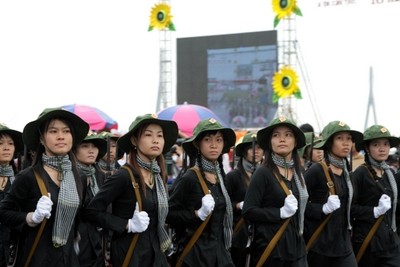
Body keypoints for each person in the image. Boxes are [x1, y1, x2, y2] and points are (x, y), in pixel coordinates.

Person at [84, 113, 178, 267]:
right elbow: (92, 212)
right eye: (148, 135)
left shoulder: (158, 176)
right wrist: (127, 224)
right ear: (135, 140)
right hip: (131, 254)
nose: (155, 140)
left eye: (159, 136)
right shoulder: (123, 176)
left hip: (156, 254)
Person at [0, 107, 89, 266]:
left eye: (66, 131)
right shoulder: (28, 176)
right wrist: (31, 217)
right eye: (53, 131)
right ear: (41, 138)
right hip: (37, 258)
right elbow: (4, 212)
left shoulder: (79, 177)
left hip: (68, 259)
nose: (61, 136)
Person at [167, 118, 236, 267]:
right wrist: (197, 214)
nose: (214, 145)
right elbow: (169, 214)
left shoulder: (221, 177)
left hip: (221, 254)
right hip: (194, 256)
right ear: (198, 144)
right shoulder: (189, 177)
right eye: (207, 139)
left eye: (219, 140)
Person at [242, 116, 309, 267]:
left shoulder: (299, 172)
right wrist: (279, 213)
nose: (282, 139)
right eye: (276, 135)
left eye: (288, 135)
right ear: (270, 142)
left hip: (297, 248)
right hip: (272, 249)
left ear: (295, 141)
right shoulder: (263, 173)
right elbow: (249, 211)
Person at [304, 121, 363, 267]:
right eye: (340, 138)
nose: (346, 143)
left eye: (349, 138)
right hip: (320, 246)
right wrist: (322, 209)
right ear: (329, 143)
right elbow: (299, 205)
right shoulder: (316, 170)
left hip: (344, 244)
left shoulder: (347, 173)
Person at [351, 125, 400, 266]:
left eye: (386, 144)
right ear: (367, 148)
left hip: (390, 241)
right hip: (368, 242)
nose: (382, 148)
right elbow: (350, 208)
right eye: (376, 144)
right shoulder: (360, 174)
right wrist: (374, 211)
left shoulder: (390, 173)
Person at [226, 131, 264, 267]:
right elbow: (222, 204)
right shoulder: (233, 176)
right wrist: (237, 205)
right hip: (239, 232)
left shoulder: (266, 175)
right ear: (243, 151)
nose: (256, 151)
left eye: (260, 148)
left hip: (261, 232)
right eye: (251, 148)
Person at [74, 132, 107, 267]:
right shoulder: (69, 174)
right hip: (77, 239)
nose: (91, 150)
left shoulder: (101, 175)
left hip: (97, 238)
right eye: (85, 146)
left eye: (94, 146)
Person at [0, 124, 23, 267]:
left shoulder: (20, 178)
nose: (6, 147)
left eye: (11, 143)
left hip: (11, 246)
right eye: (0, 143)